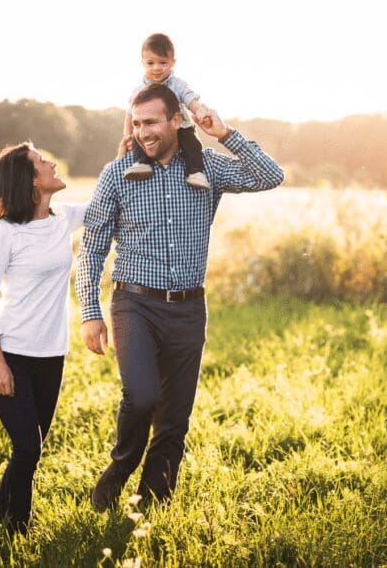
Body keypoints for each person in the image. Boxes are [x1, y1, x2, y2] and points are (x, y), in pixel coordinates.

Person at [76, 83, 284, 510]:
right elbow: (92, 248)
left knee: (174, 418)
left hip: (190, 308)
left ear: (176, 120)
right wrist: (90, 312)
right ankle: (120, 468)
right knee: (142, 397)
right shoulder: (117, 174)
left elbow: (270, 176)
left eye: (151, 122)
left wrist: (224, 133)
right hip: (134, 303)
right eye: (136, 124)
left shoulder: (206, 167)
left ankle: (153, 503)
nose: (142, 132)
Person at [0, 142, 87, 534]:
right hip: (11, 354)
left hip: (52, 354)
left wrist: (128, 151)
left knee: (30, 448)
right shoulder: (3, 232)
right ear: (30, 179)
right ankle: (17, 529)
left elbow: (110, 202)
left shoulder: (64, 218)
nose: (52, 163)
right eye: (42, 161)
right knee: (28, 447)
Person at [122, 32, 214, 190]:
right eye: (150, 63)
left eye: (163, 63)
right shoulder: (139, 90)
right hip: (149, 129)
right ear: (142, 62)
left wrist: (199, 112)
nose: (156, 68)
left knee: (193, 145)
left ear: (173, 63)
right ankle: (141, 163)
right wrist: (127, 135)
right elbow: (130, 115)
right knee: (140, 138)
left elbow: (190, 99)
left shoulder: (177, 85)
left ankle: (195, 172)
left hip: (181, 126)